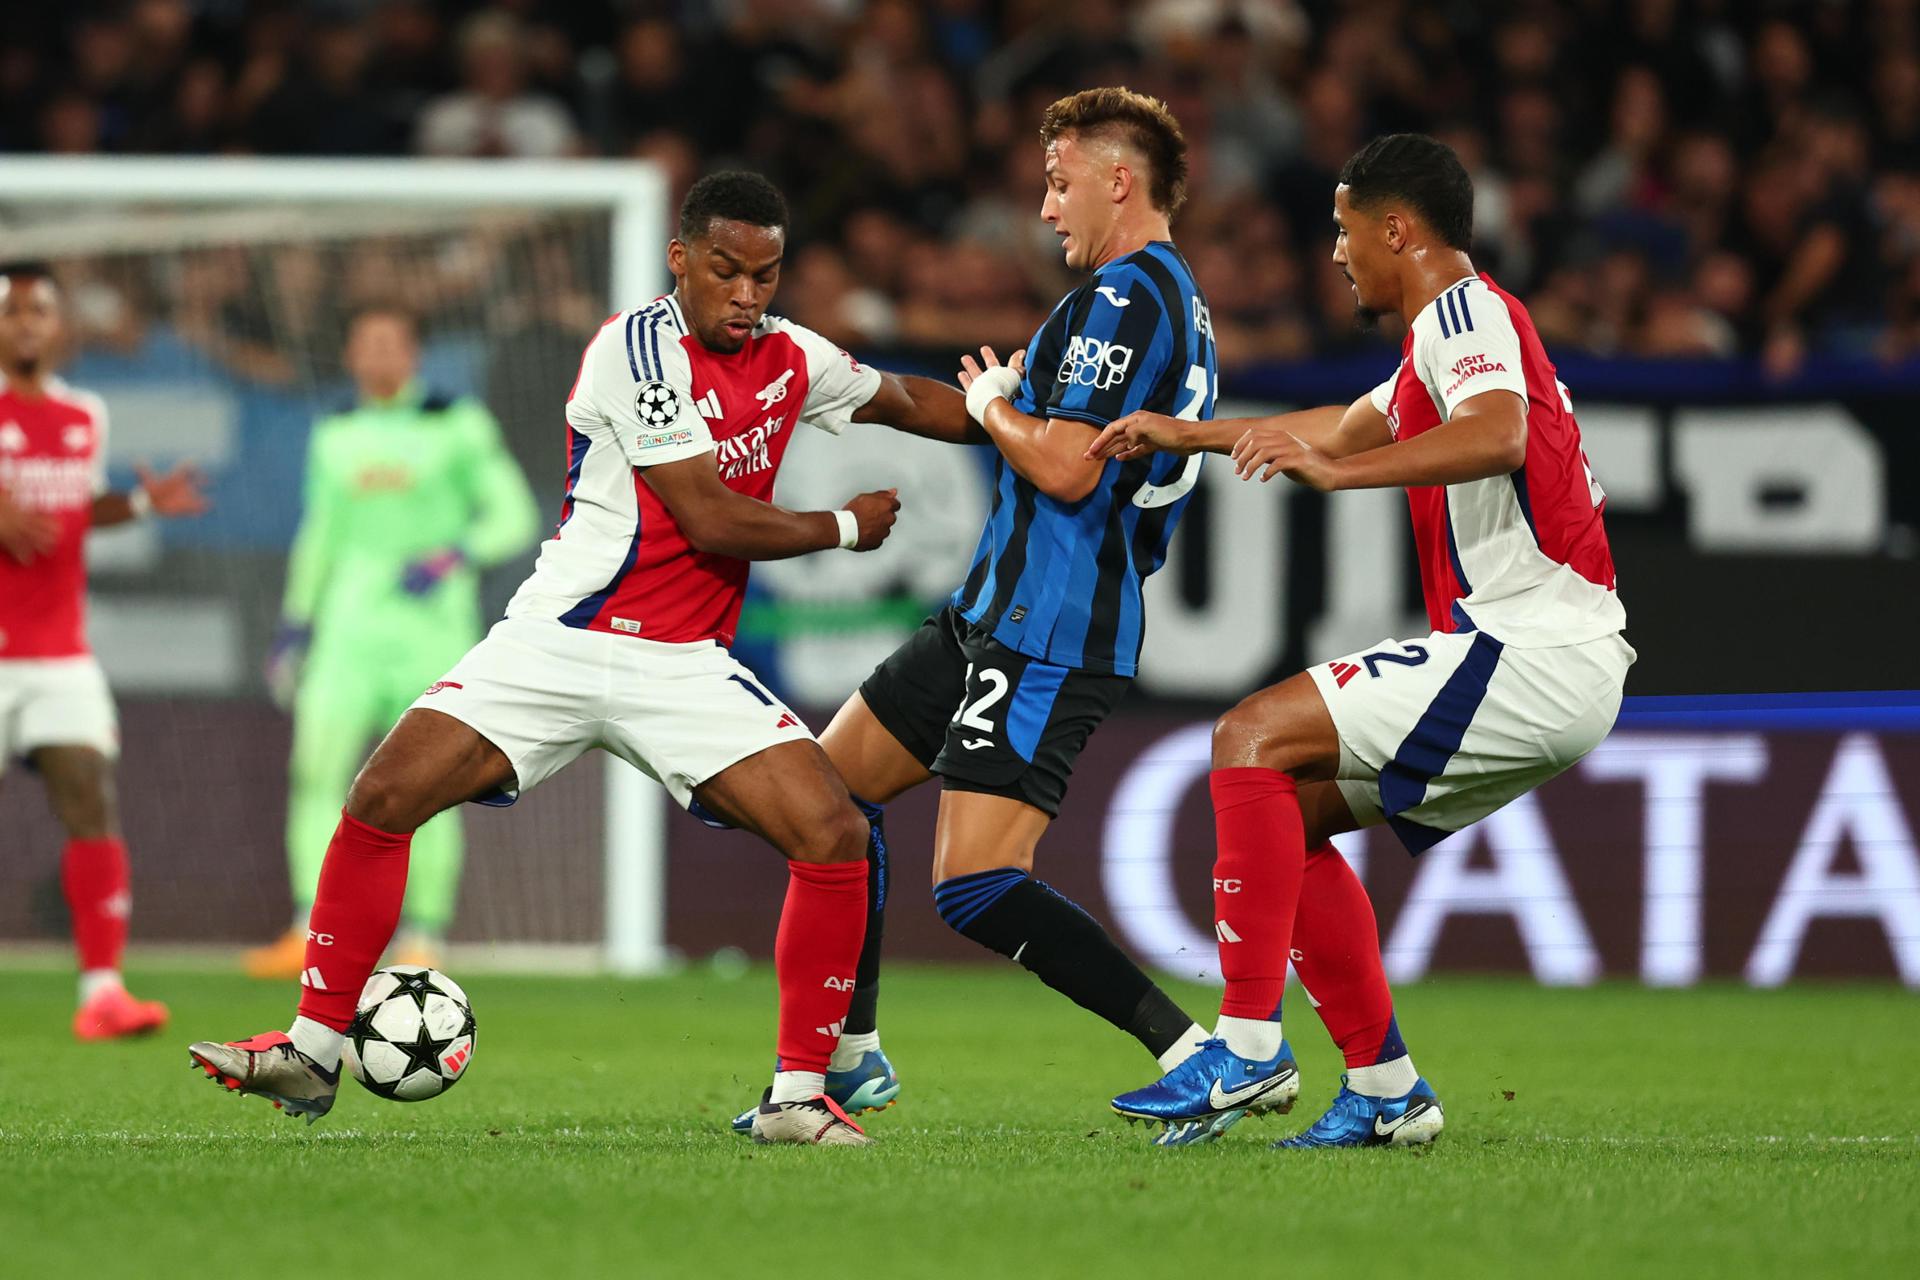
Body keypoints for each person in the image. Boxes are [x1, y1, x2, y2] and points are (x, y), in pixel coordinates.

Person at [187, 171, 978, 1146]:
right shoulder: (634, 345)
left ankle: (797, 1095)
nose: (746, 293)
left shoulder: (792, 354)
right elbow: (706, 512)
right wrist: (846, 532)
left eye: (765, 274)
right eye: (726, 269)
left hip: (683, 662)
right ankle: (311, 1052)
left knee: (833, 832)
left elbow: (902, 399)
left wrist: (1013, 420)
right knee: (380, 794)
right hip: (559, 640)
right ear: (681, 258)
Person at [1094, 133, 1635, 1148]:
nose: (1336, 253)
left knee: (1248, 733)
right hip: (1548, 657)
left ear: (1397, 228)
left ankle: (1247, 1045)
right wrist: (1187, 432)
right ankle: (1388, 1087)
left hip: (1536, 645)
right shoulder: (1441, 340)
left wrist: (1339, 482)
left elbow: (1498, 432)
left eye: (1346, 231)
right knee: (1284, 812)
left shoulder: (1466, 313)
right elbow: (1340, 427)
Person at [730, 85, 1222, 1132]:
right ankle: (850, 1054)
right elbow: (1042, 438)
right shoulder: (1159, 299)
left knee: (975, 882)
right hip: (985, 613)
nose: (1046, 210)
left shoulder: (1130, 298)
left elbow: (1069, 468)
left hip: (1048, 624)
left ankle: (1196, 1050)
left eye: (1059, 183)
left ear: (1118, 179)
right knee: (827, 800)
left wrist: (999, 402)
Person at [245, 307, 539, 979]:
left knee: (427, 786)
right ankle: (309, 928)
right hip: (347, 632)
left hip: (430, 633)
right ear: (350, 356)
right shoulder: (336, 432)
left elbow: (513, 515)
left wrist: (453, 554)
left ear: (413, 354)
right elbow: (321, 532)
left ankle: (422, 935)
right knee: (317, 773)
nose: (378, 355)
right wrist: (296, 620)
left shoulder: (456, 424)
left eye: (391, 343)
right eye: (365, 343)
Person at [0, 261, 209, 1040]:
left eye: (40, 310)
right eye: (13, 309)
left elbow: (79, 511)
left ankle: (102, 992)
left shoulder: (83, 413)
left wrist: (143, 503)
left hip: (58, 652)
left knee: (90, 796)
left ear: (59, 327)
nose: (27, 322)